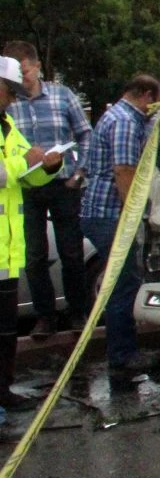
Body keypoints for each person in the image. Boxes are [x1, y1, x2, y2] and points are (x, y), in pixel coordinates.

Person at [3, 42, 93, 337]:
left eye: (24, 72)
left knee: (71, 252)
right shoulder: (8, 104)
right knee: (35, 255)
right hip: (26, 189)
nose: (21, 80)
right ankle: (45, 317)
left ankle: (77, 313)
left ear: (37, 65)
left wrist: (80, 173)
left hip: (64, 183)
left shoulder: (61, 95)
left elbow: (84, 135)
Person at [80, 74, 160, 381]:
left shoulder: (115, 116)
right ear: (142, 94)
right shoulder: (126, 122)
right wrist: (135, 213)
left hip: (101, 212)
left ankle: (123, 352)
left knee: (122, 281)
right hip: (111, 214)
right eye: (152, 102)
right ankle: (123, 355)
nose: (153, 109)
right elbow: (124, 170)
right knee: (123, 283)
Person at [0, 56, 66, 410]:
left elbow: (28, 174)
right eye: (8, 91)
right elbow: (12, 169)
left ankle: (4, 390)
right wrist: (23, 163)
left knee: (7, 332)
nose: (11, 98)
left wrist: (49, 166)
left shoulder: (8, 125)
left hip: (7, 253)